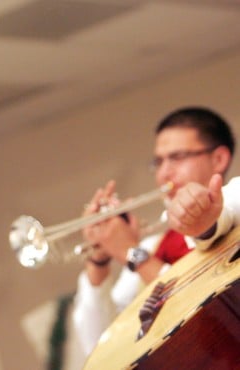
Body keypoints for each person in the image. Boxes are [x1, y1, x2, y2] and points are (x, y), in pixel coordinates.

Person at [71, 106, 235, 356]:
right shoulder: (152, 245)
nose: (164, 173)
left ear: (219, 159)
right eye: (158, 162)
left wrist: (131, 252)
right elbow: (99, 346)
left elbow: (213, 310)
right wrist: (99, 260)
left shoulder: (236, 215)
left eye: (177, 157)